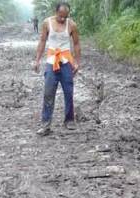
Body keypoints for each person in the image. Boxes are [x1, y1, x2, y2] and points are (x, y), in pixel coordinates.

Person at [34, 2, 81, 136]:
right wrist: (37, 60)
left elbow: (76, 43)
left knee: (68, 91)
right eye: (60, 16)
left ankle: (70, 120)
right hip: (51, 61)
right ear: (56, 13)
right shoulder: (46, 23)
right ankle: (46, 124)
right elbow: (42, 41)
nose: (62, 19)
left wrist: (77, 62)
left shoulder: (71, 25)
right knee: (48, 93)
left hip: (67, 62)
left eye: (65, 17)